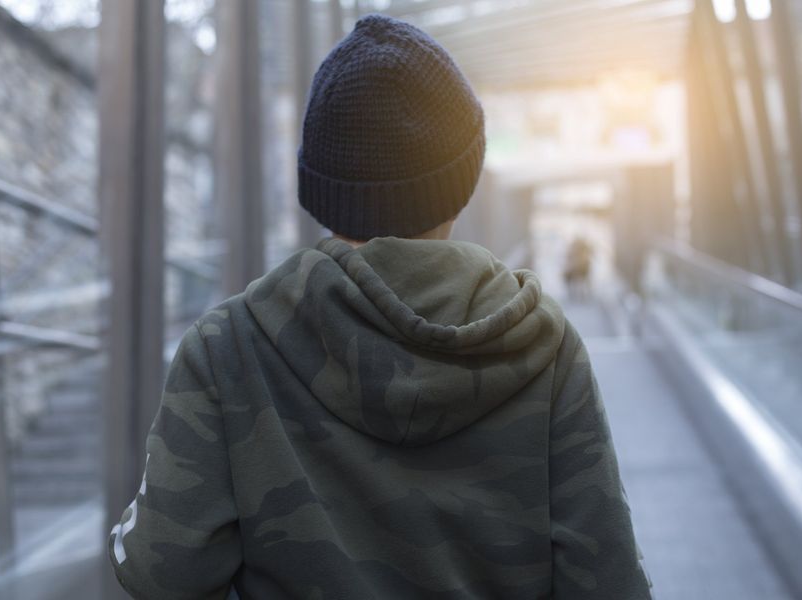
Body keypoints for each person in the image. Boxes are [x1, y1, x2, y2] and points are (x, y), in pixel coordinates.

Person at [108, 14, 651, 600]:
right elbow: (608, 581)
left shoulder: (229, 347)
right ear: (462, 181)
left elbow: (160, 573)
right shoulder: (543, 342)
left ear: (319, 188)